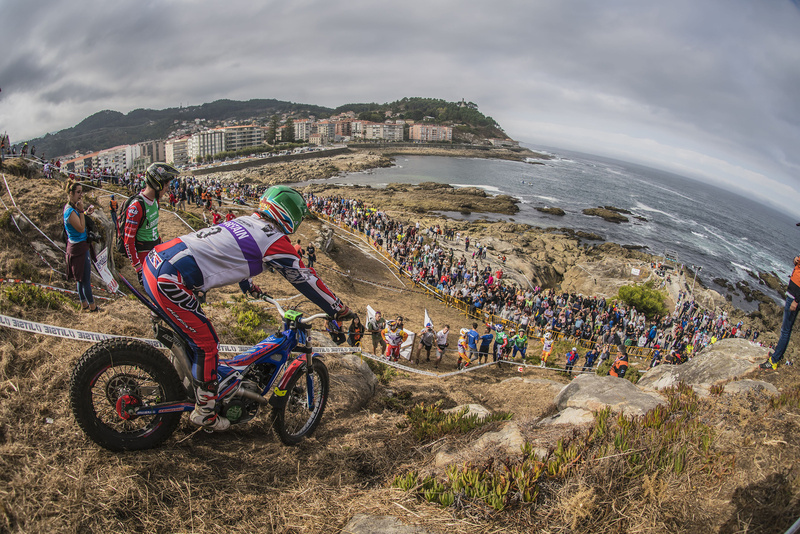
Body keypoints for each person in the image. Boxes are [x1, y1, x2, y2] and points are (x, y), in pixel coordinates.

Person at [143, 185, 354, 431]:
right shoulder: (274, 239)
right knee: (207, 343)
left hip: (156, 262)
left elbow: (235, 255)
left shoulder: (245, 221)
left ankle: (184, 382)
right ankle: (206, 412)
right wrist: (338, 309)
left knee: (189, 338)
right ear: (291, 216)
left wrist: (249, 286)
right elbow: (305, 279)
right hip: (170, 278)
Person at [124, 163, 180, 285]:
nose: (167, 189)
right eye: (166, 185)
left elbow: (152, 227)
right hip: (144, 257)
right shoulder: (136, 207)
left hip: (155, 250)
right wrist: (138, 268)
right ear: (157, 184)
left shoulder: (155, 201)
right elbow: (128, 241)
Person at [64, 180, 100, 312]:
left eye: (82, 192)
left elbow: (78, 221)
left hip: (77, 245)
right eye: (78, 192)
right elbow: (80, 227)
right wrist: (80, 211)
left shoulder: (71, 209)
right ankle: (92, 306)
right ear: (71, 193)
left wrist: (84, 213)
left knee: (79, 278)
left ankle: (84, 304)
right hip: (79, 247)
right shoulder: (70, 211)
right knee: (85, 279)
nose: (81, 195)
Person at [761, 255, 800, 370]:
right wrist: (795, 260)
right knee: (785, 329)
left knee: (785, 330)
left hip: (795, 297)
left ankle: (774, 361)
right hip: (792, 294)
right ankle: (777, 355)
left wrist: (796, 300)